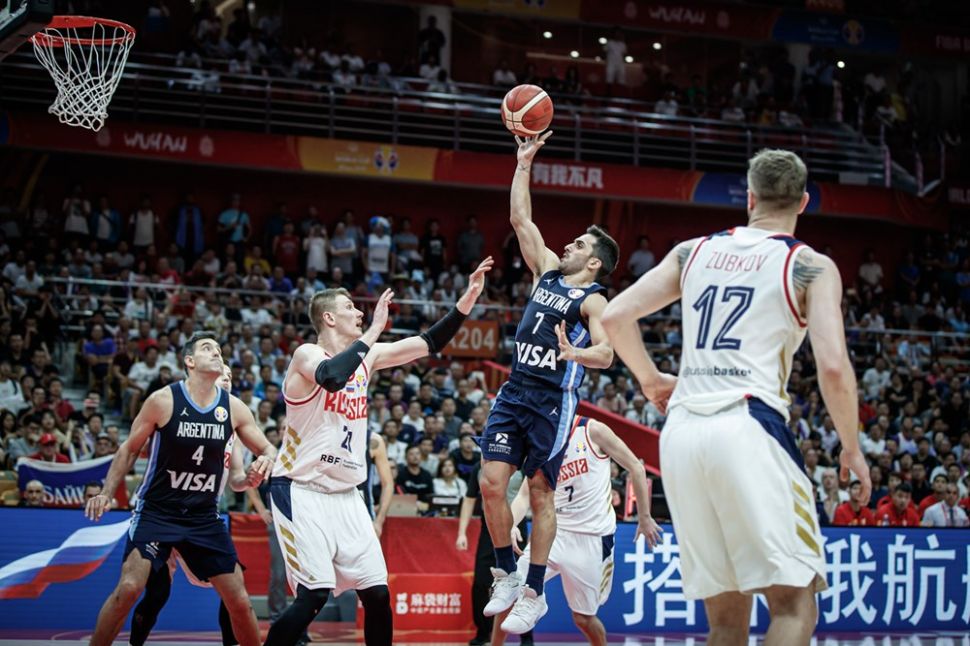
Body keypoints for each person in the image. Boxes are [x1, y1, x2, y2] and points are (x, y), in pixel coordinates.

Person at [601, 148, 870, 645]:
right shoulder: (809, 265)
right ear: (803, 202)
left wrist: (650, 379)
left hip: (682, 433)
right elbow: (833, 366)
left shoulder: (692, 251)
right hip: (749, 425)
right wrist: (851, 447)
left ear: (749, 198)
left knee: (725, 621)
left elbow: (615, 315)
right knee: (793, 606)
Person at [264, 257, 493, 646]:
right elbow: (333, 377)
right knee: (314, 596)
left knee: (378, 595)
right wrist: (372, 331)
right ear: (329, 318)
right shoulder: (306, 355)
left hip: (347, 494)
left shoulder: (367, 356)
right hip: (301, 490)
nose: (359, 312)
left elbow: (429, 343)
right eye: (350, 307)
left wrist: (466, 301)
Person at [479, 132, 618, 635]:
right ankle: (506, 574)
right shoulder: (547, 273)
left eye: (579, 244)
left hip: (552, 402)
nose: (569, 244)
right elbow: (521, 219)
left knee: (540, 491)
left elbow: (607, 353)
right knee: (490, 483)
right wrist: (524, 162)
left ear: (594, 262)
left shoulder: (594, 300)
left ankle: (534, 592)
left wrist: (575, 352)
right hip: (515, 390)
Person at [85, 333, 277, 646]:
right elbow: (129, 449)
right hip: (158, 511)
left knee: (239, 600)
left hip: (203, 516)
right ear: (189, 361)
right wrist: (107, 492)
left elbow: (267, 447)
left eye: (219, 349)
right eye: (207, 348)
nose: (216, 353)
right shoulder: (163, 400)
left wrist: (266, 459)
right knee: (130, 589)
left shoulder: (234, 408)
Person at [491, 417, 662, 645]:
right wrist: (512, 524)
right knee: (509, 592)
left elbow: (636, 468)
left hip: (592, 537)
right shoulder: (541, 440)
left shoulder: (593, 430)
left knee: (583, 619)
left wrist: (645, 517)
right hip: (553, 532)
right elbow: (524, 494)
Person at [127, 363, 257, 646]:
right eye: (221, 375)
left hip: (199, 519)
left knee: (233, 587)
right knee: (157, 593)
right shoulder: (178, 413)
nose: (226, 380)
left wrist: (248, 479)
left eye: (230, 377)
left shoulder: (232, 427)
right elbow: (140, 448)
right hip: (161, 514)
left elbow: (236, 479)